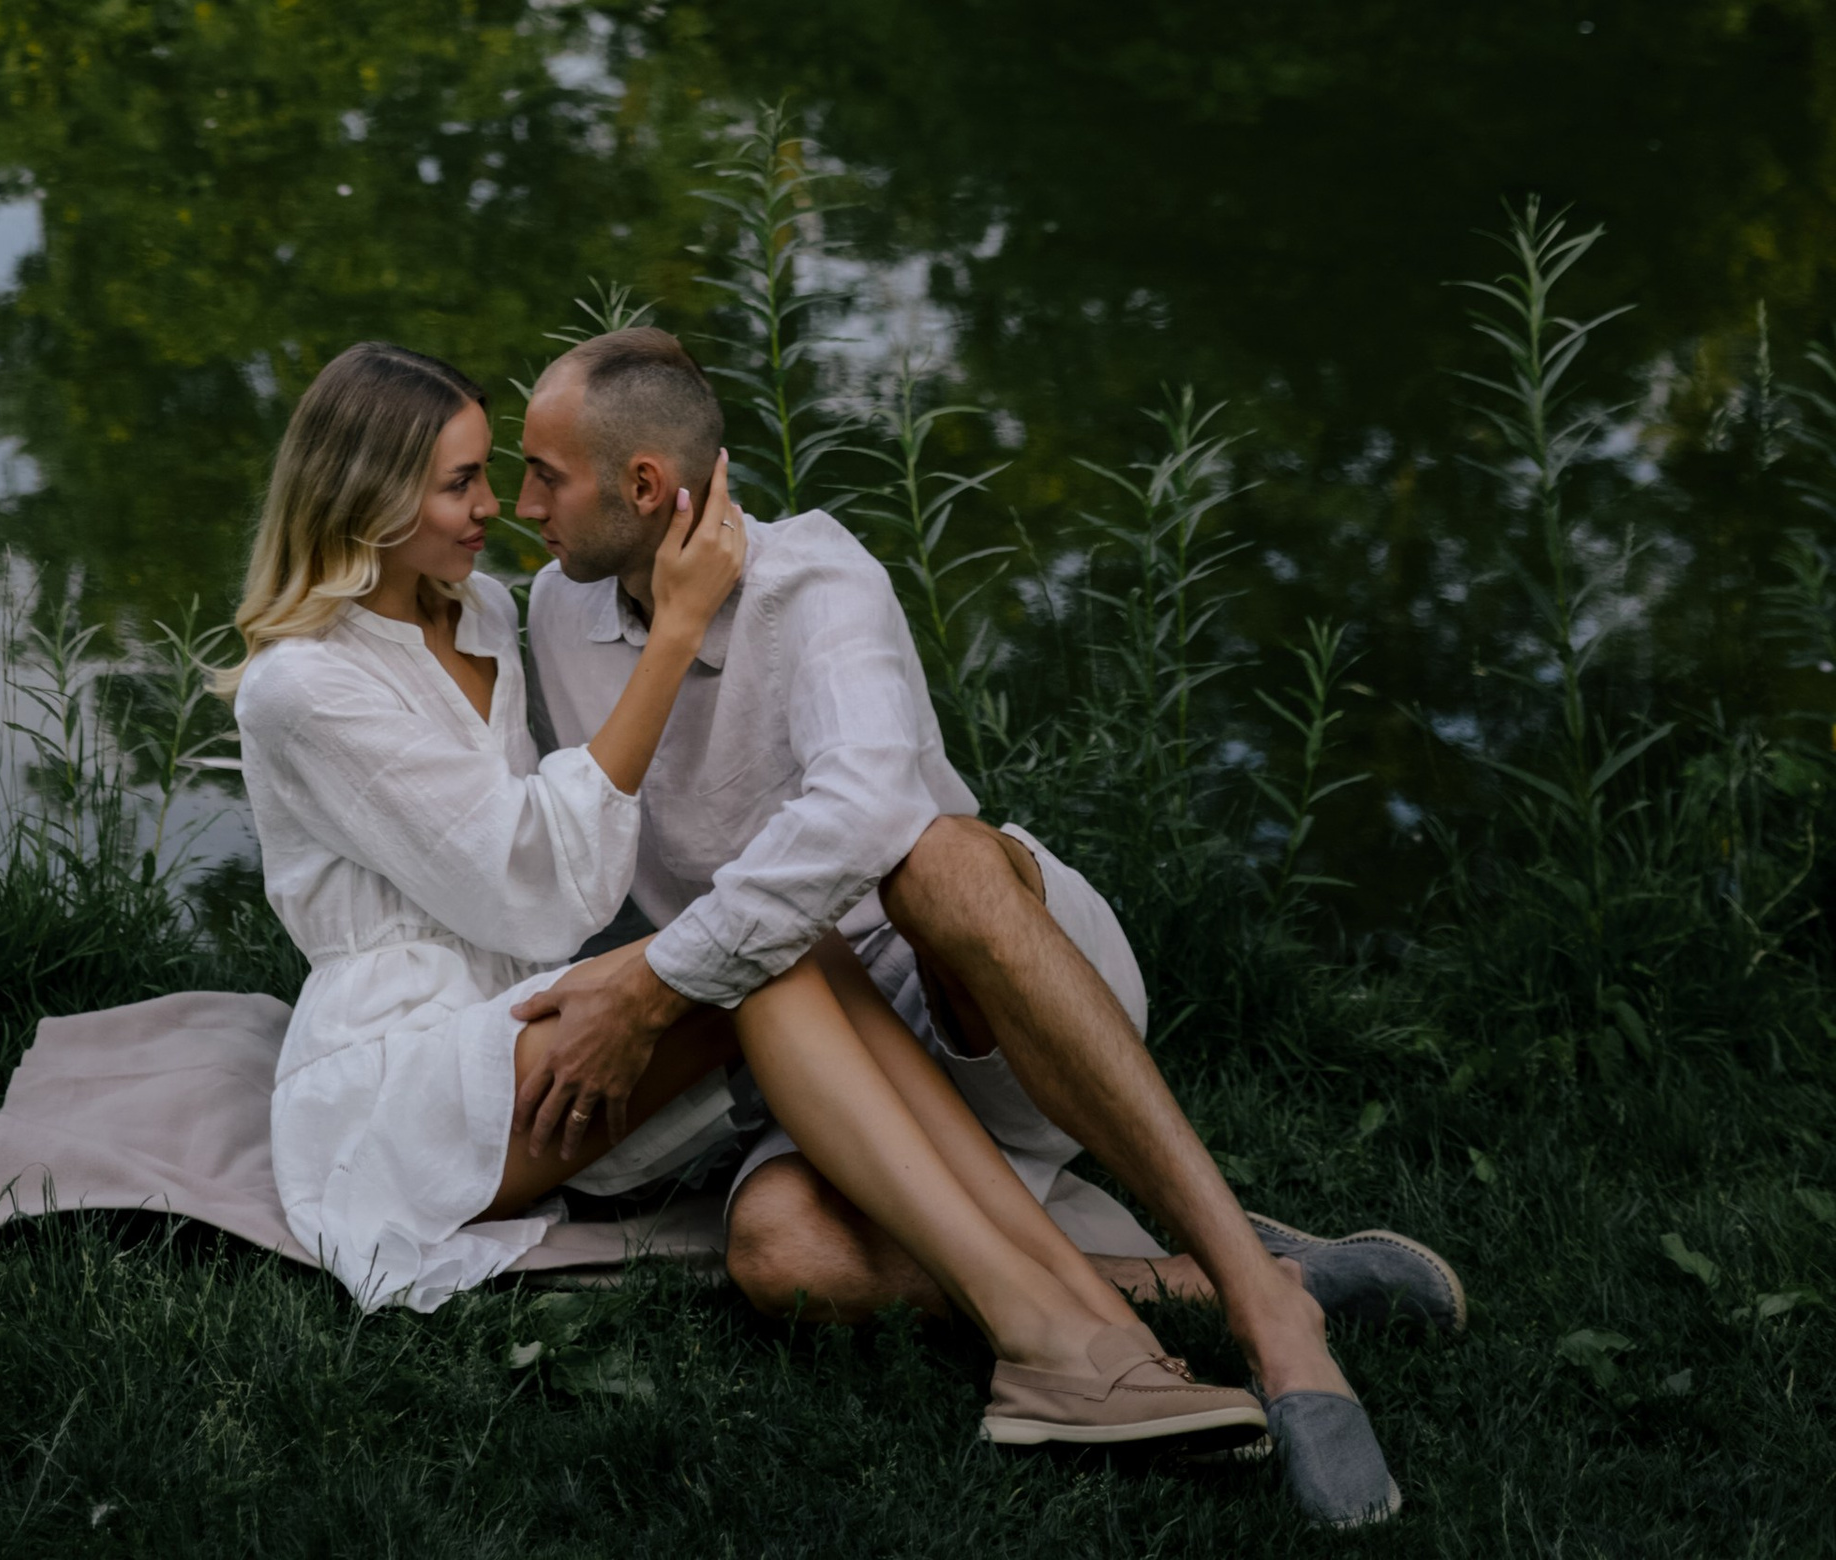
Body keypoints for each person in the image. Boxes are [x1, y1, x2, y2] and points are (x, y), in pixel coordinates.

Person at [231, 338, 1271, 1455]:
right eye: (464, 483)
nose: (500, 506)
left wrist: (653, 968)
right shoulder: (304, 686)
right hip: (407, 1062)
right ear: (364, 496)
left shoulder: (481, 612)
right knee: (755, 959)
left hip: (531, 1000)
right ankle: (1082, 1325)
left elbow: (588, 867)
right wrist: (674, 635)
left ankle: (1080, 1326)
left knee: (773, 945)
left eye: (506, 472)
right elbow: (535, 896)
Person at [518, 328, 1462, 1532]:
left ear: (642, 487)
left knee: (934, 859)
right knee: (777, 1257)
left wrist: (660, 980)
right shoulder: (557, 610)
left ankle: (1264, 1310)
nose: (520, 500)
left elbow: (864, 808)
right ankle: (1200, 1285)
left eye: (545, 473)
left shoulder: (820, 580)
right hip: (814, 1049)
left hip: (988, 1001)